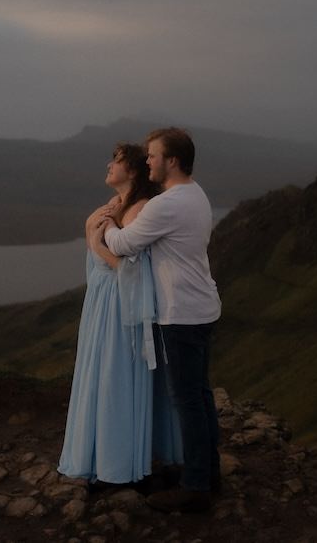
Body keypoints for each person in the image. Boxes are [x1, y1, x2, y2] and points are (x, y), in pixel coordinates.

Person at [100, 127, 221, 514]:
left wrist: (107, 223)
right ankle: (207, 471)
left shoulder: (166, 204)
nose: (146, 161)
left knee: (187, 399)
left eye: (152, 156)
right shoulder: (196, 194)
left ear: (171, 160)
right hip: (203, 307)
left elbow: (122, 244)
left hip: (181, 312)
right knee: (200, 396)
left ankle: (196, 487)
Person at [58, 143, 182, 489]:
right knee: (101, 374)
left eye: (117, 161)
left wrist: (97, 245)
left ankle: (118, 463)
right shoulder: (118, 205)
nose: (110, 165)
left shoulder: (140, 209)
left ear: (134, 170)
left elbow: (135, 272)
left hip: (119, 307)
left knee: (116, 377)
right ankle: (103, 458)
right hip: (104, 301)